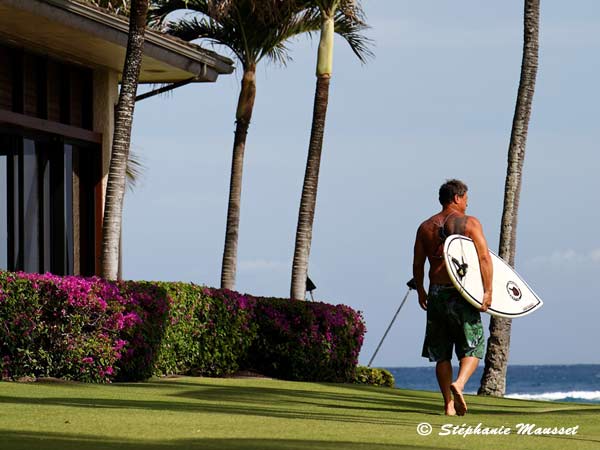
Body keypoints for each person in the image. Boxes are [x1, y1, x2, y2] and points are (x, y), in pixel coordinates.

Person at [412, 179, 493, 416]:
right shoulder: (469, 223)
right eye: (466, 198)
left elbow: (417, 264)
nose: (468, 204)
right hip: (461, 293)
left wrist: (421, 290)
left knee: (442, 353)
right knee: (474, 346)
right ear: (457, 198)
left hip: (436, 293)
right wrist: (487, 291)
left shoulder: (425, 227)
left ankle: (448, 405)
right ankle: (459, 384)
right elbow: (484, 258)